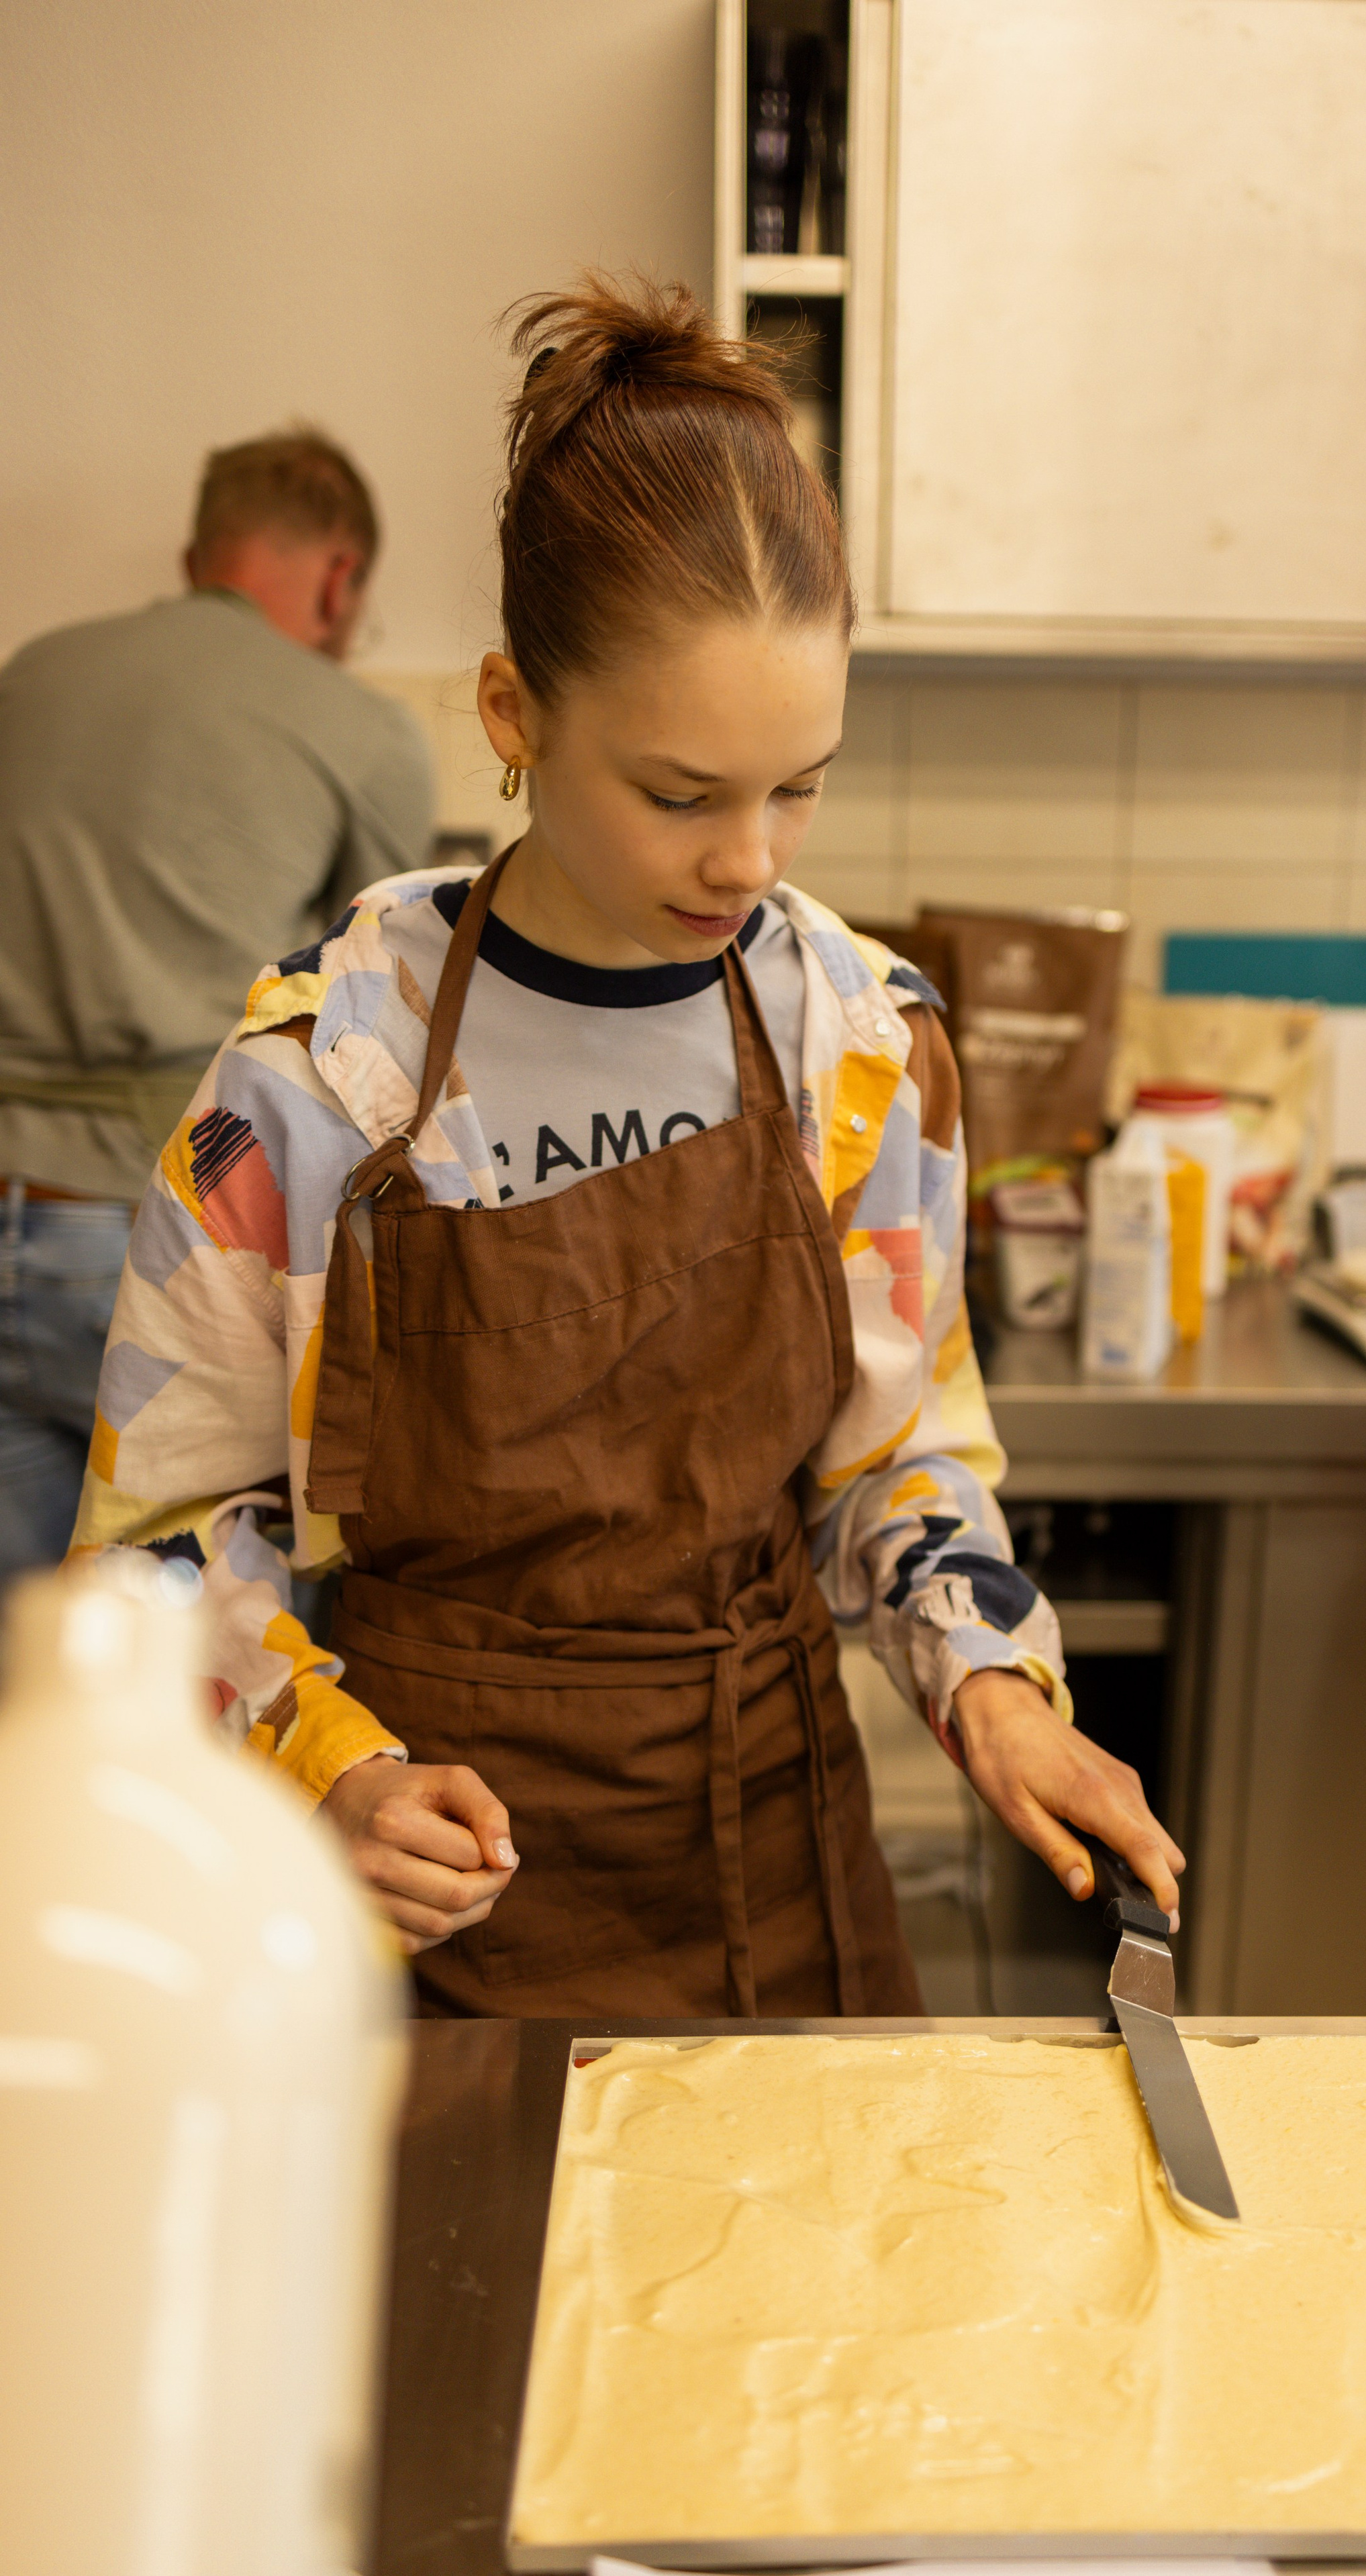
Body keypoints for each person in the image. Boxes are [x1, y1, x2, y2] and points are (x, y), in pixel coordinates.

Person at [71, 277, 1184, 2017]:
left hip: (774, 1880)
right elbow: (159, 1536)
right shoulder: (318, 1070)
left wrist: (995, 1684)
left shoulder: (860, 1041)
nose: (750, 860)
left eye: (799, 785)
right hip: (412, 1916)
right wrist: (325, 1764)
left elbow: (894, 1457)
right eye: (681, 793)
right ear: (512, 711)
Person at [0, 431, 434, 1579]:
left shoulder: (27, 674)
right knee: (222, 1681)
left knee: (28, 1705)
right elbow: (395, 1013)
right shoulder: (362, 732)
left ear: (202, 553)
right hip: (162, 1252)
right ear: (342, 580)